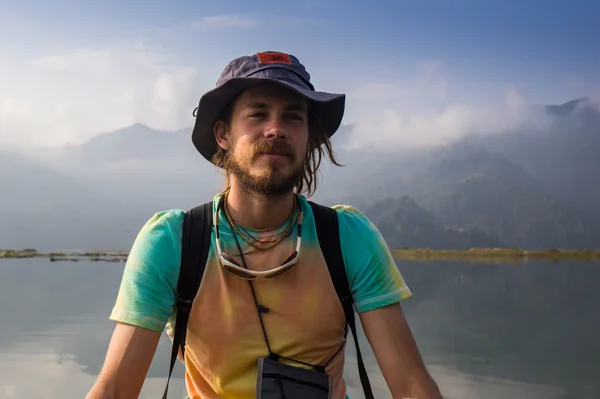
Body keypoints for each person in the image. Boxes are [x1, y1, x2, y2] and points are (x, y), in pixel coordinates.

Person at [86, 51, 442, 399]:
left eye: (293, 117)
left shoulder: (347, 237)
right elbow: (116, 389)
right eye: (258, 114)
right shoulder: (171, 243)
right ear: (223, 134)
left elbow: (411, 385)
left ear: (309, 137)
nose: (276, 129)